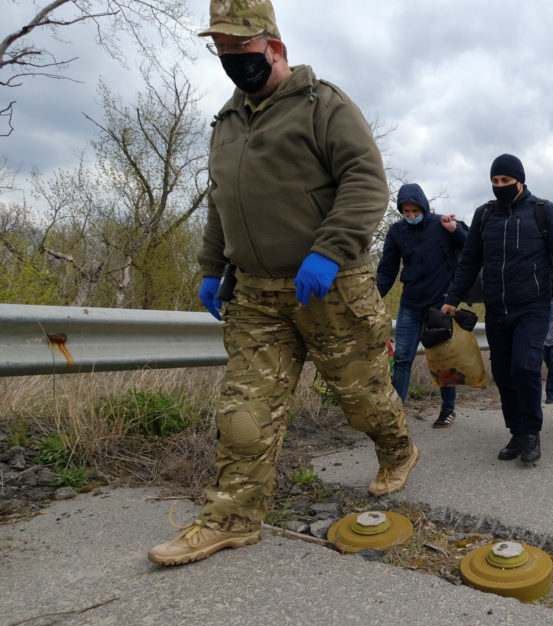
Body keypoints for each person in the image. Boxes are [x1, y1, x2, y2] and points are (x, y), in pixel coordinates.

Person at [149, 0, 418, 566]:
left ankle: (397, 449)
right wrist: (211, 266)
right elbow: (222, 203)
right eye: (220, 50)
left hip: (331, 289)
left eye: (239, 49)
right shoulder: (226, 124)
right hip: (256, 296)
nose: (230, 60)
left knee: (362, 401)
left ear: (273, 46)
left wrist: (329, 252)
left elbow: (367, 182)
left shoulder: (325, 105)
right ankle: (231, 519)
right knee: (243, 417)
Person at [442, 154, 553, 465]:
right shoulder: (485, 215)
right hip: (497, 307)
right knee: (503, 373)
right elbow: (469, 260)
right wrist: (452, 297)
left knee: (525, 367)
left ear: (520, 180)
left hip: (532, 306)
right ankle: (516, 430)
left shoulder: (544, 211)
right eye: (495, 181)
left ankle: (531, 433)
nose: (500, 186)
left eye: (506, 181)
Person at [377, 183, 468, 428]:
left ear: (423, 207)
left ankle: (448, 409)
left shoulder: (441, 224)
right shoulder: (396, 232)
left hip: (439, 304)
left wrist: (455, 230)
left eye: (415, 211)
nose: (411, 216)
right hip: (410, 304)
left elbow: (470, 249)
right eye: (405, 212)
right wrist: (374, 296)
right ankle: (394, 415)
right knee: (404, 358)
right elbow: (387, 269)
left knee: (442, 359)